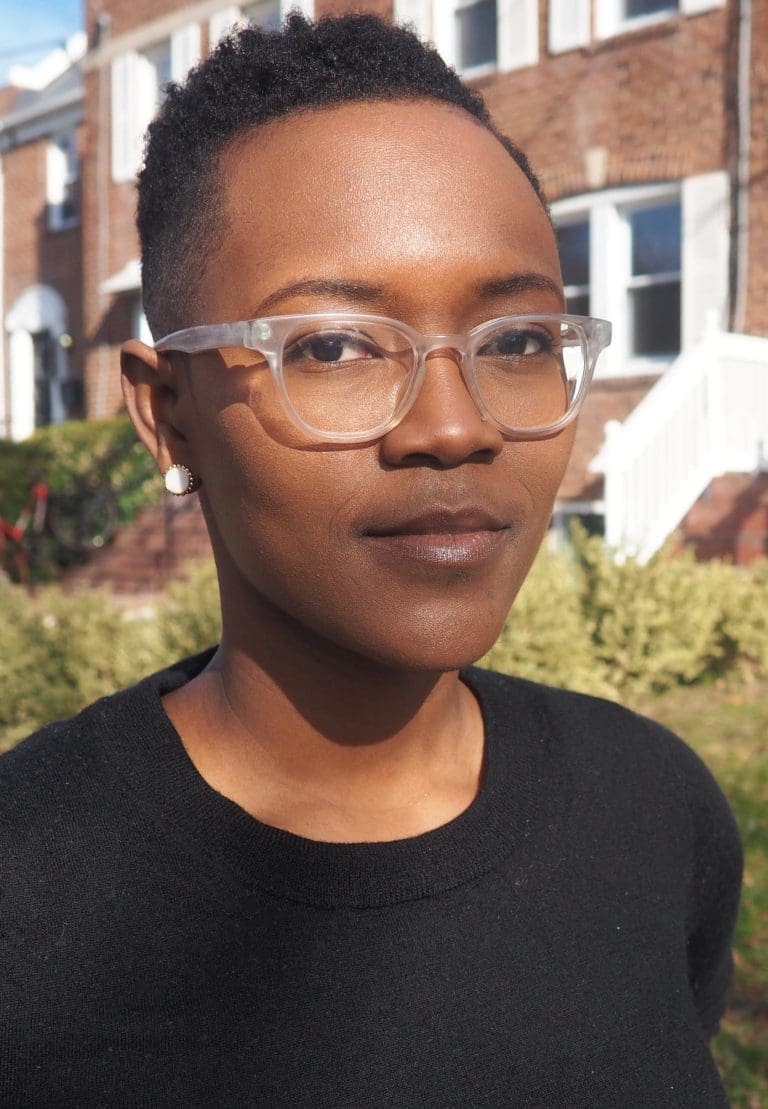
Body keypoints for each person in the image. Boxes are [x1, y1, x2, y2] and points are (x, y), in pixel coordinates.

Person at [0, 13, 741, 1106]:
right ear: (169, 414)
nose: (454, 427)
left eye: (519, 340)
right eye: (334, 346)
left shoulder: (654, 812)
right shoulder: (30, 895)